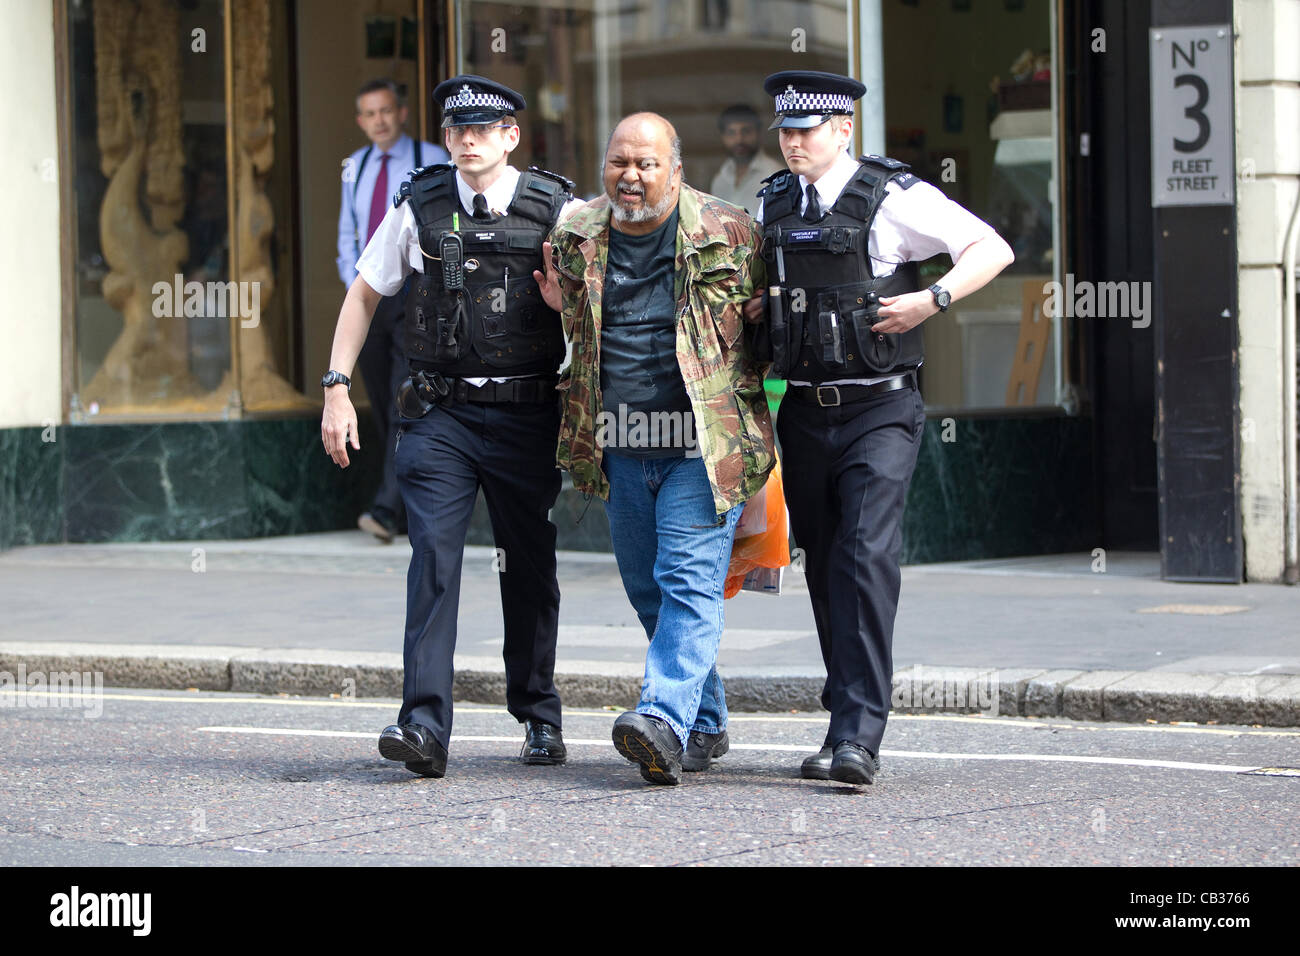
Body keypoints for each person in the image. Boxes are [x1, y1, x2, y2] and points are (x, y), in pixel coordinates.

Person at [750, 71, 1014, 785]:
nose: (793, 142)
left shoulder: (893, 196)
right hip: (803, 409)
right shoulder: (774, 203)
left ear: (843, 130)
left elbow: (992, 249)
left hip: (881, 409)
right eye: (786, 130)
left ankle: (860, 736)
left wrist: (931, 299)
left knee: (865, 557)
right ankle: (843, 721)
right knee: (827, 563)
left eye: (807, 130)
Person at [321, 75, 582, 778]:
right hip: (441, 414)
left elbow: (606, 306)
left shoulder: (560, 208)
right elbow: (366, 291)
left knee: (527, 564)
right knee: (432, 558)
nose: (468, 139)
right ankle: (424, 726)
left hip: (527, 413)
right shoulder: (421, 204)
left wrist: (566, 303)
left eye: (483, 128)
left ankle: (538, 713)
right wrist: (337, 387)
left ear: (511, 136)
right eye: (456, 128)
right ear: (444, 137)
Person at [534, 112, 774, 785]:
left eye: (646, 164)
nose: (631, 177)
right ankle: (705, 723)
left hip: (704, 444)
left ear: (676, 169)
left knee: (688, 583)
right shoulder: (576, 233)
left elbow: (768, 326)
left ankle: (662, 718)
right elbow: (578, 326)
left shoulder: (732, 230)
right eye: (619, 162)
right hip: (621, 441)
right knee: (648, 590)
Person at [337, 79, 449, 544]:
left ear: (401, 113)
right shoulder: (354, 166)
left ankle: (386, 509)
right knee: (381, 403)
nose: (378, 120)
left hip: (414, 294)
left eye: (386, 111)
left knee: (403, 396)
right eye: (369, 113)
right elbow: (349, 232)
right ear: (361, 120)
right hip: (370, 297)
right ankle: (401, 499)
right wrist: (356, 286)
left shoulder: (433, 158)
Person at [708, 104, 782, 214]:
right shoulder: (719, 180)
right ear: (722, 137)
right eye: (731, 133)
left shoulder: (775, 176)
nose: (739, 139)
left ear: (759, 133)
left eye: (746, 131)